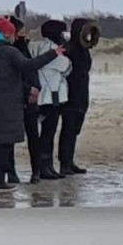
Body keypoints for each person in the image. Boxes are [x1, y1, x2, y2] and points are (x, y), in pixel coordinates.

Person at [0, 28, 62, 189]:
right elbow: (29, 65)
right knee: (4, 143)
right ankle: (1, 180)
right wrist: (53, 53)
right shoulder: (9, 52)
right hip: (7, 103)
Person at [33, 19, 71, 181]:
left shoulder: (38, 47)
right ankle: (45, 167)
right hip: (51, 96)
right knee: (48, 134)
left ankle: (47, 166)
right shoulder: (53, 50)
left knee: (46, 134)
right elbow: (67, 67)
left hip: (44, 95)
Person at [58, 17, 97, 176]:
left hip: (82, 92)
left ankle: (69, 161)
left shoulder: (84, 48)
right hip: (70, 94)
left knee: (74, 130)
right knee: (68, 129)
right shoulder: (69, 48)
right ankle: (64, 163)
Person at [9, 16, 42, 183]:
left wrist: (36, 88)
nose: (24, 35)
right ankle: (12, 172)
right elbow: (13, 75)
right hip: (15, 99)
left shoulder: (25, 48)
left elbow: (33, 69)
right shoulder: (10, 51)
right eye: (21, 32)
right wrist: (30, 88)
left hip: (30, 100)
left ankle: (35, 171)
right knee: (10, 138)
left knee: (33, 137)